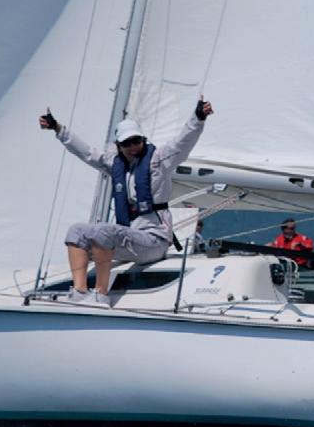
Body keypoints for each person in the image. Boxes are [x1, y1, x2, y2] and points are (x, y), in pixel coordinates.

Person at [38, 98, 214, 305]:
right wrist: (58, 129)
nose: (132, 147)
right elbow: (86, 153)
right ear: (118, 146)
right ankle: (80, 291)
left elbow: (183, 142)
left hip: (154, 241)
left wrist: (198, 117)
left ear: (143, 140)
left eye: (136, 141)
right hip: (129, 242)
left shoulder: (159, 160)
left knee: (104, 230)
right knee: (76, 231)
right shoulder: (115, 164)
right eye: (126, 143)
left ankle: (101, 295)